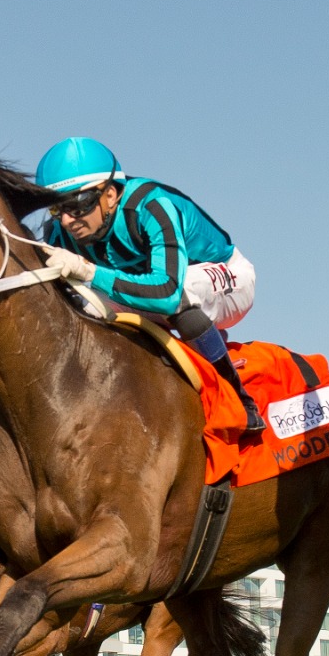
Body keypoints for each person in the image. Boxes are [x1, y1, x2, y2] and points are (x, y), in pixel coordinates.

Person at [35, 137, 266, 434]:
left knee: (181, 296)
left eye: (77, 205)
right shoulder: (58, 232)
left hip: (225, 278)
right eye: (56, 209)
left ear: (109, 194)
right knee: (85, 307)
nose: (67, 220)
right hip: (151, 290)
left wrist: (89, 272)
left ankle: (239, 401)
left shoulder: (152, 205)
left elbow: (167, 292)